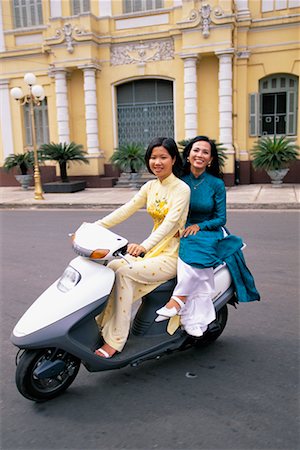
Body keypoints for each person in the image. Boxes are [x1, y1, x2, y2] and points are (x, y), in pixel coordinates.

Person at [93, 137, 191, 358]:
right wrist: (94, 226)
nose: (157, 162)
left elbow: (169, 224)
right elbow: (126, 209)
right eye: (153, 157)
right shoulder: (150, 186)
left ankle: (116, 340)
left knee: (125, 273)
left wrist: (144, 246)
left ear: (173, 159)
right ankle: (101, 325)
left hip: (173, 254)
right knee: (113, 265)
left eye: (163, 157)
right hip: (155, 251)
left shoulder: (181, 189)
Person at [155, 135, 226, 337]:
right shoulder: (178, 182)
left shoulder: (216, 184)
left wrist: (199, 225)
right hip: (182, 229)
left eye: (205, 152)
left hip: (208, 230)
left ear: (210, 159)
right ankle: (191, 320)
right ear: (188, 155)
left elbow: (221, 218)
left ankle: (177, 301)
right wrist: (181, 226)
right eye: (196, 150)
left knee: (197, 254)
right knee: (198, 267)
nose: (200, 155)